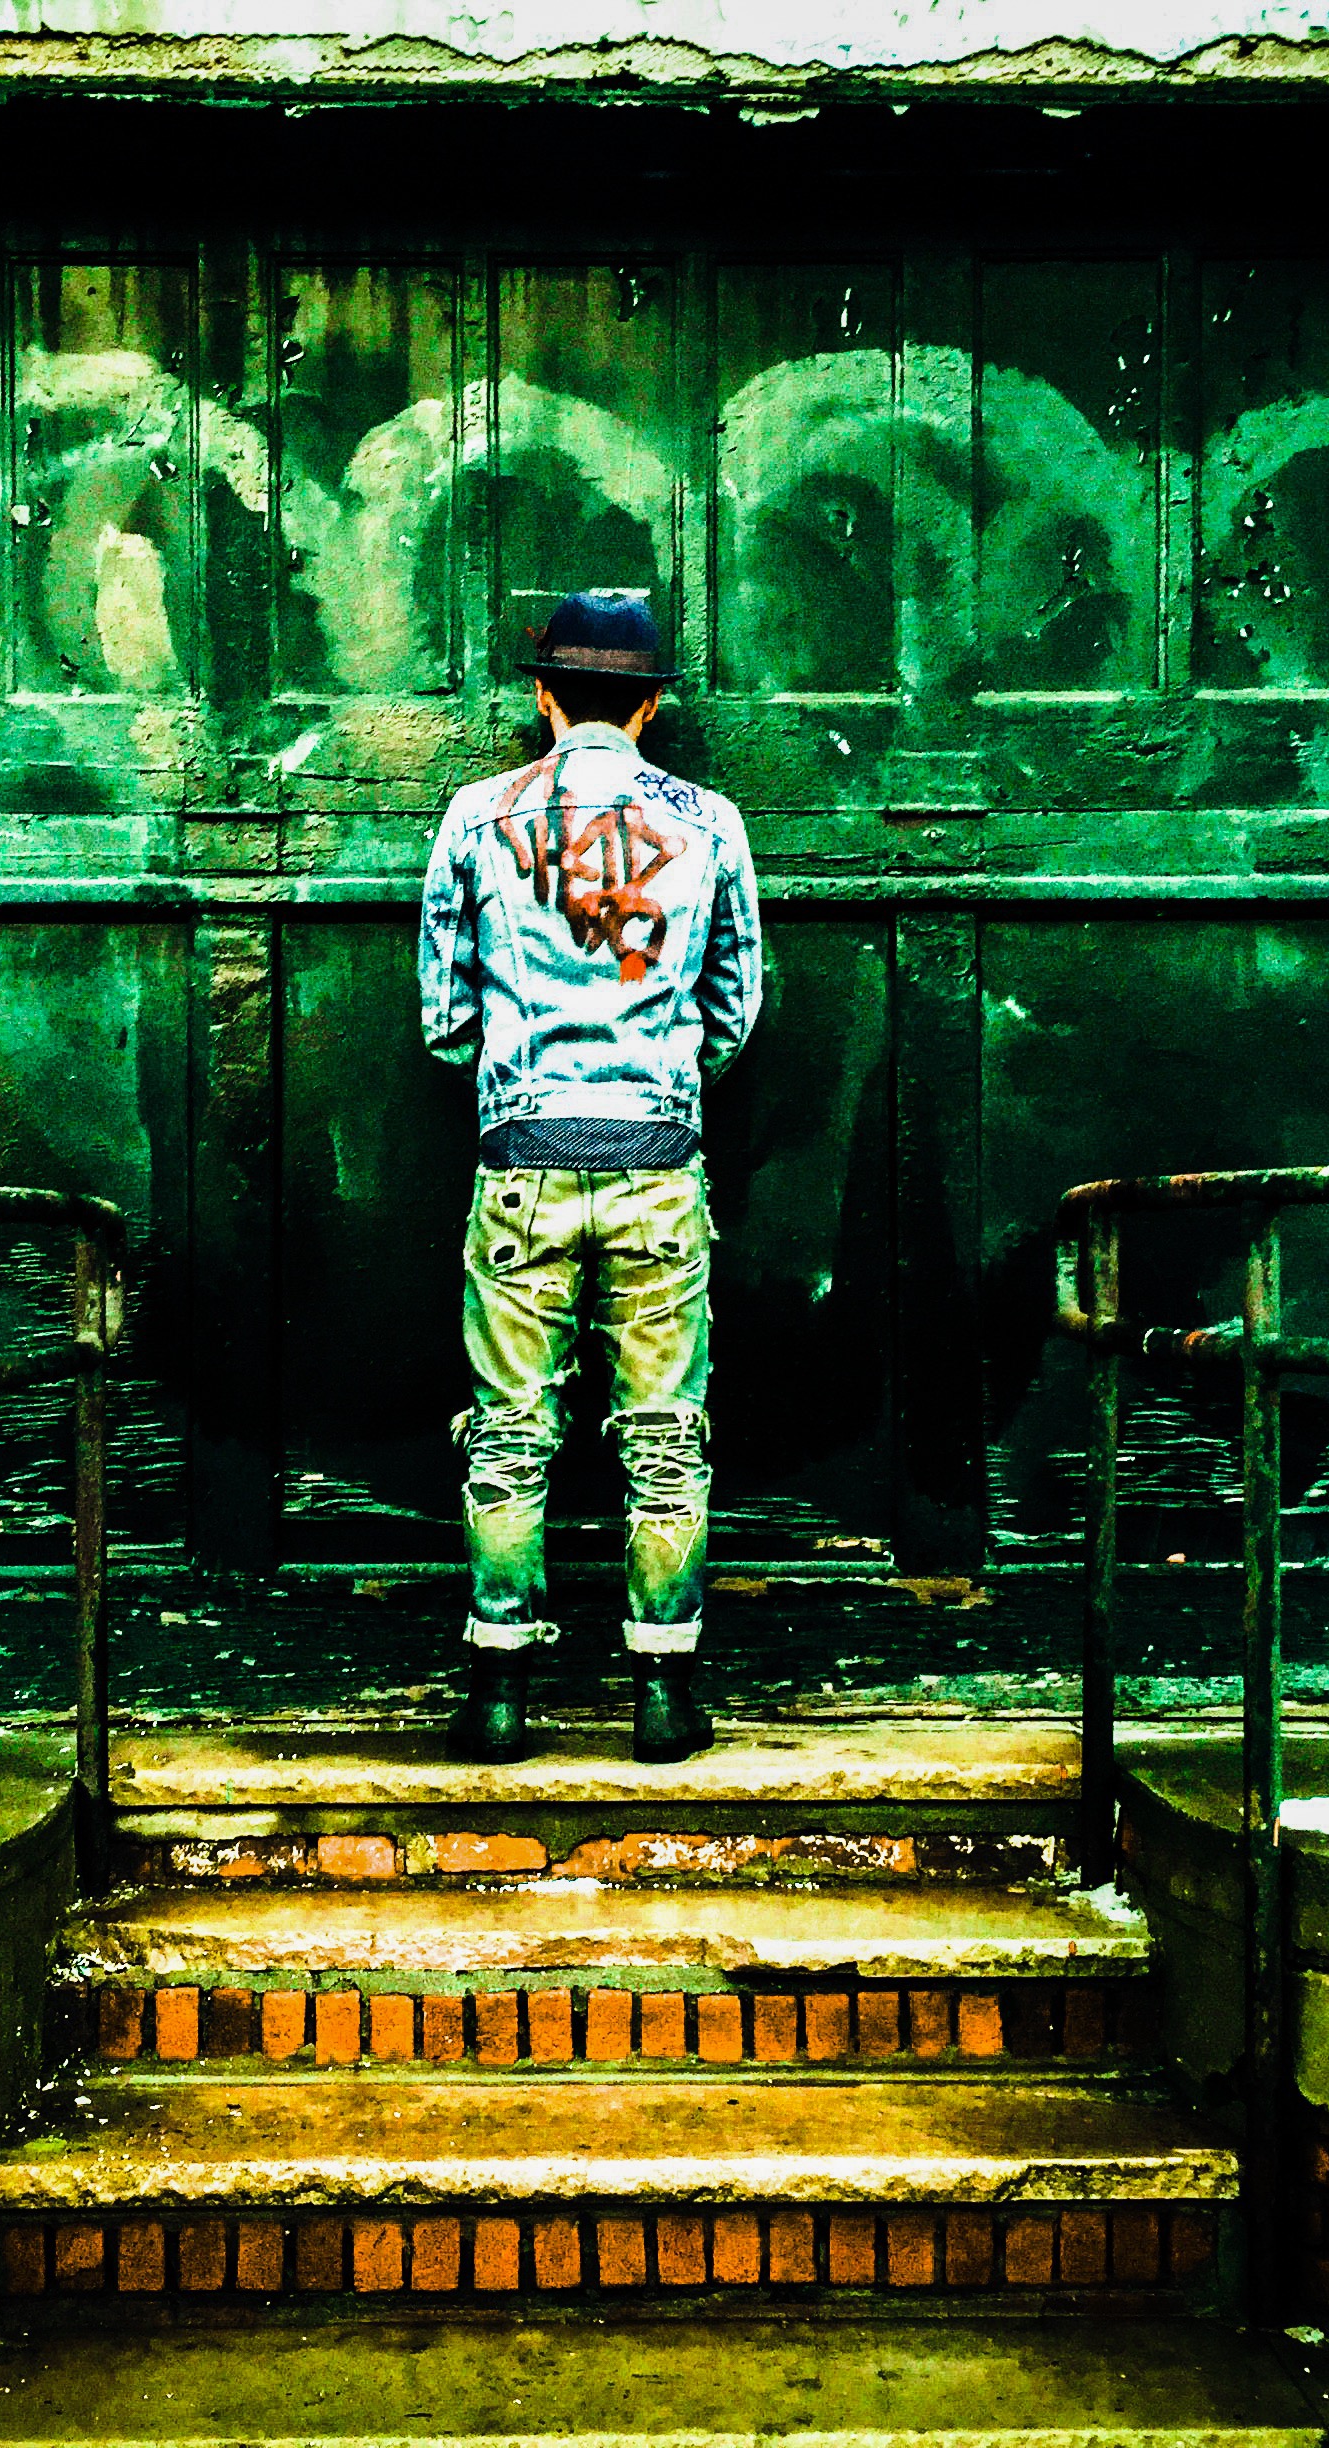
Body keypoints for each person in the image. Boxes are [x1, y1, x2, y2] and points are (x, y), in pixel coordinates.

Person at [416, 590, 766, 1765]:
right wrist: (656, 1080)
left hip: (522, 1160)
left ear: (544, 697)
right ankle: (662, 1697)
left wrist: (524, 1076)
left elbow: (443, 1021)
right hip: (657, 1162)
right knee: (665, 1436)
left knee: (509, 1434)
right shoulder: (711, 823)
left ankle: (498, 1697)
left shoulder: (476, 816)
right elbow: (734, 1011)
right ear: (652, 705)